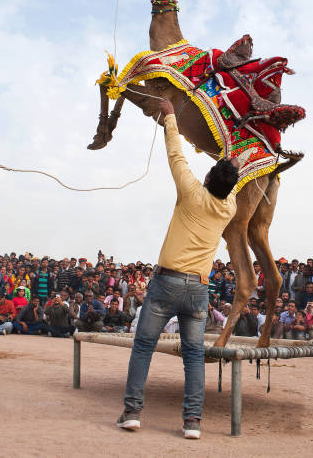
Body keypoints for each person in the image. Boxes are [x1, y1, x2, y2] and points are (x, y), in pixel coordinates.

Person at [117, 99, 238, 439]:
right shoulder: (227, 207)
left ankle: (132, 413)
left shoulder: (191, 193)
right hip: (199, 289)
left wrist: (170, 118)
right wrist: (234, 164)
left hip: (167, 282)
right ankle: (192, 422)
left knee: (143, 347)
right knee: (193, 357)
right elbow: (230, 181)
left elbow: (176, 154)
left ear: (210, 176)